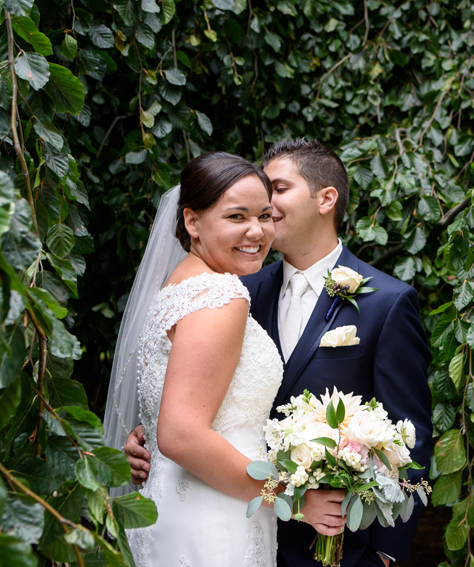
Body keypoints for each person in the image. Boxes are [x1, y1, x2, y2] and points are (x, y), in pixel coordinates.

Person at [123, 139, 432, 566]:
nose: (263, 209)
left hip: (333, 548)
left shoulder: (387, 302)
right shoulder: (233, 288)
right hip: (230, 521)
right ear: (194, 221)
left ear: (326, 199)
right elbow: (188, 415)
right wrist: (152, 438)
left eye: (274, 193)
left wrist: (384, 554)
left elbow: (408, 438)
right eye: (242, 210)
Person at [110, 152, 285, 567]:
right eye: (237, 217)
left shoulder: (181, 285)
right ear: (192, 221)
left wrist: (146, 432)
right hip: (216, 513)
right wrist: (285, 496)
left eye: (265, 215)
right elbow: (181, 434)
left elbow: (173, 408)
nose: (256, 231)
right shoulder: (220, 296)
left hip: (177, 501)